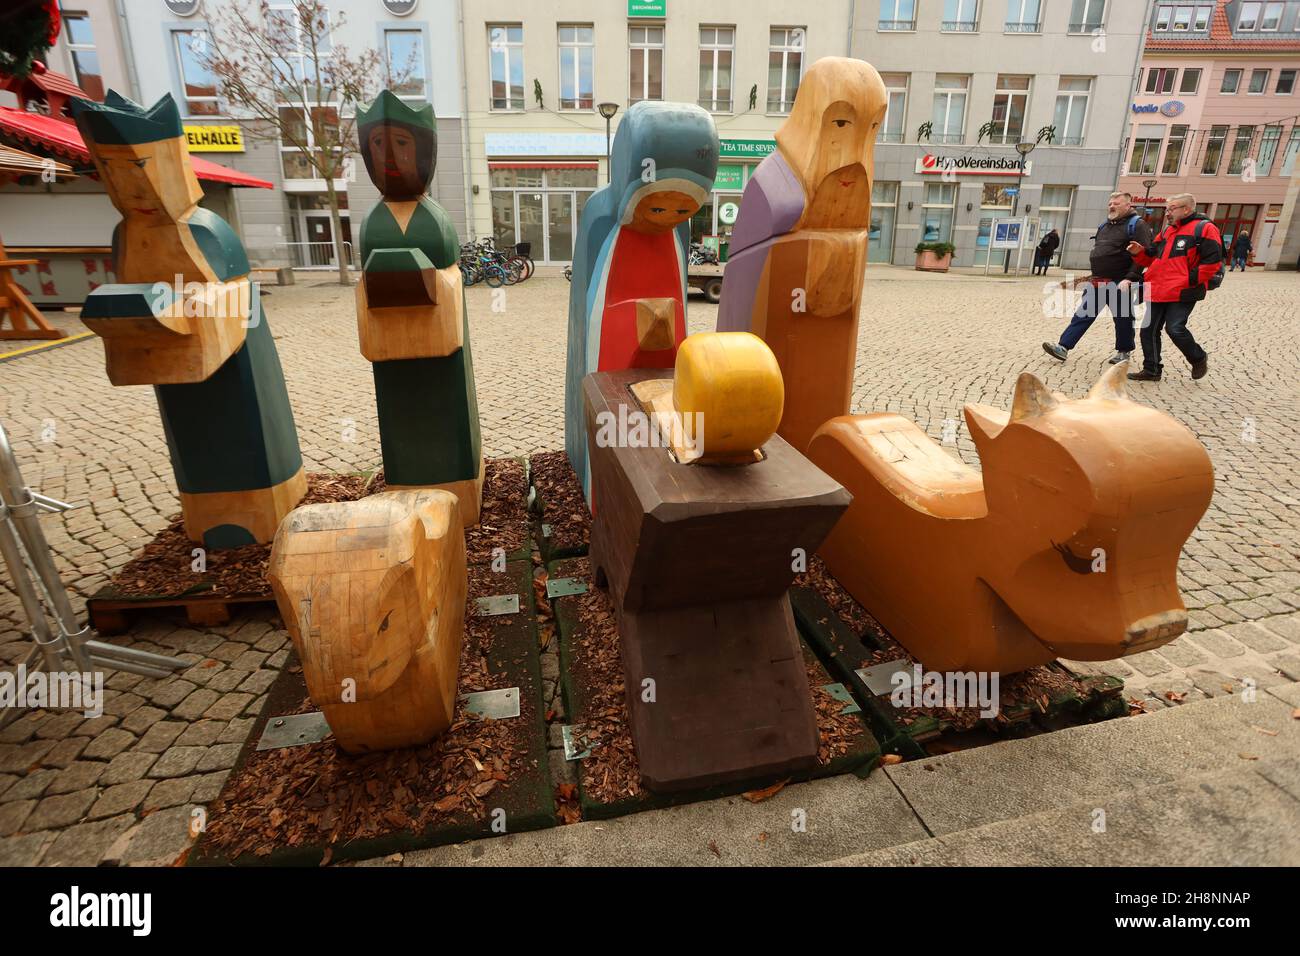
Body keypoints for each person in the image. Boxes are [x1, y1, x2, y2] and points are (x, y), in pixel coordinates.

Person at [1042, 192, 1151, 366]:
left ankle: (1124, 352)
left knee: (1123, 318)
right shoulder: (1104, 226)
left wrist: (1131, 278)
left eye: (1116, 203)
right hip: (1098, 280)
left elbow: (1143, 255)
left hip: (1120, 280)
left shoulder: (1137, 225)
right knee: (1083, 314)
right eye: (1110, 203)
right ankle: (1063, 347)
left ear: (1128, 205)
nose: (1112, 206)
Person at [1126, 192, 1219, 382]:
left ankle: (1198, 357)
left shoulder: (1205, 228)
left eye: (1172, 209)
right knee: (1148, 330)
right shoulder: (1167, 230)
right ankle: (1151, 370)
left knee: (1175, 328)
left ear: (1186, 209)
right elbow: (1151, 257)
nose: (1167, 213)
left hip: (1183, 290)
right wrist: (1139, 253)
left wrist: (1189, 280)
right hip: (1159, 288)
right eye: (1167, 209)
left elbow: (1212, 262)